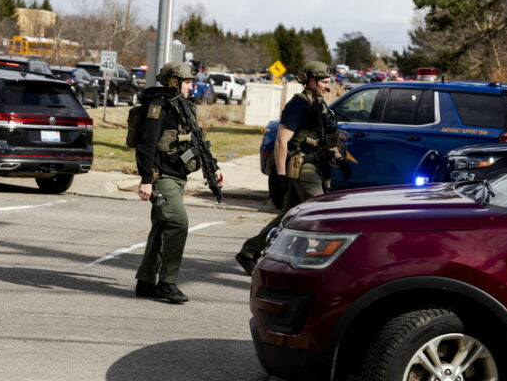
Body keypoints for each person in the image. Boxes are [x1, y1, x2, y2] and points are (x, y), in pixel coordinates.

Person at [235, 61, 350, 275]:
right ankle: (314, 264)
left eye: (328, 82)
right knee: (318, 213)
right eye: (324, 82)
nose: (328, 86)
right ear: (310, 81)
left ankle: (249, 252)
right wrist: (280, 174)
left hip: (317, 164)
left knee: (288, 216)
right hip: (303, 166)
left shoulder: (319, 104)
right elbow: (281, 141)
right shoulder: (298, 105)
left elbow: (323, 136)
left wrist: (338, 158)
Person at [134, 61, 224, 304]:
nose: (190, 85)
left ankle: (145, 282)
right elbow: (146, 144)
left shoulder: (183, 106)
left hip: (177, 176)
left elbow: (197, 140)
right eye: (186, 82)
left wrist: (212, 167)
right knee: (178, 223)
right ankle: (167, 282)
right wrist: (145, 180)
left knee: (162, 228)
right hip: (161, 177)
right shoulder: (159, 106)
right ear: (174, 81)